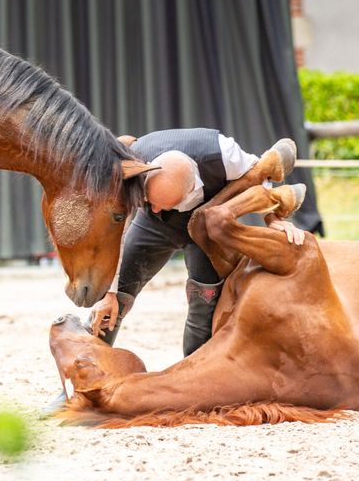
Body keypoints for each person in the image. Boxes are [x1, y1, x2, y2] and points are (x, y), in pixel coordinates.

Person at [90, 128, 306, 357]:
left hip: (205, 229)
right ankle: (88, 363)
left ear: (193, 185)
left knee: (203, 304)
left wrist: (273, 217)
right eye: (151, 200)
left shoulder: (223, 153)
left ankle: (192, 372)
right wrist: (110, 292)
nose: (156, 208)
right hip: (152, 226)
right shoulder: (133, 164)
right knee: (115, 299)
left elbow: (259, 175)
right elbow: (116, 233)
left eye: (163, 203)